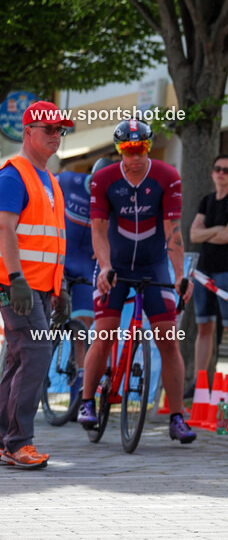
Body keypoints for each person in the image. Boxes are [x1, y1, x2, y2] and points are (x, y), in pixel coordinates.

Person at [78, 119, 195, 443]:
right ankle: (87, 400)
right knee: (104, 333)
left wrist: (181, 275)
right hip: (114, 264)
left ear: (148, 146)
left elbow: (173, 230)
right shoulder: (103, 179)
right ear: (118, 150)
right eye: (127, 150)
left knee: (168, 340)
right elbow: (98, 228)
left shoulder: (166, 176)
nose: (134, 156)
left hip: (152, 264)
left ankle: (176, 417)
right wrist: (103, 267)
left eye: (140, 148)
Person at [0, 100, 72, 468]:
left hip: (40, 289)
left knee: (18, 359)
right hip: (17, 287)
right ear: (28, 132)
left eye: (60, 130)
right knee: (37, 353)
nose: (56, 136)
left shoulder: (50, 181)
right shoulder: (13, 175)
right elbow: (4, 229)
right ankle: (18, 443)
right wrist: (16, 280)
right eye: (49, 129)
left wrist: (61, 288)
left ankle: (4, 440)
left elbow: (50, 241)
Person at [190, 154, 228, 376]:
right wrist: (218, 230)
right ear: (212, 173)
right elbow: (193, 235)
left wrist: (214, 232)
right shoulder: (206, 201)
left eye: (226, 170)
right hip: (204, 271)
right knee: (203, 327)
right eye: (218, 169)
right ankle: (199, 385)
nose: (221, 173)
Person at [58, 158, 111, 407]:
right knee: (42, 320)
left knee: (82, 328)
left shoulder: (113, 202)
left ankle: (78, 391)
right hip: (58, 260)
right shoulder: (69, 181)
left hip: (86, 268)